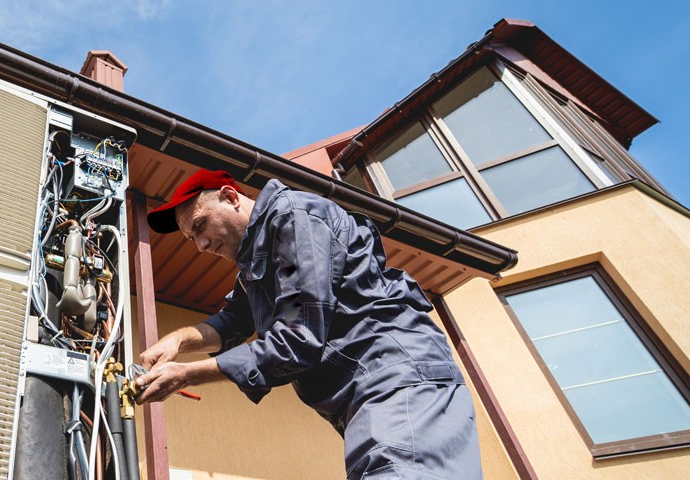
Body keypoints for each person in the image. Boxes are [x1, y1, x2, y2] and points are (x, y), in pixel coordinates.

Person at [134, 169, 482, 479]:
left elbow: (298, 338)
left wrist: (187, 374)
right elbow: (233, 320)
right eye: (191, 239)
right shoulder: (257, 261)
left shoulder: (294, 219)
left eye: (200, 226)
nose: (201, 245)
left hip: (395, 381)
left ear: (230, 197)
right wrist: (178, 342)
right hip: (367, 398)